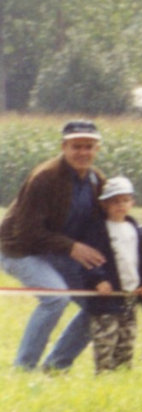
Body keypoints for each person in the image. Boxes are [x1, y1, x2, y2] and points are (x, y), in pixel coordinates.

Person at [0, 120, 108, 371]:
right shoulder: (44, 177)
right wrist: (72, 247)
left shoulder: (97, 181)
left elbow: (106, 222)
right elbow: (26, 232)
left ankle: (56, 367)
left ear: (97, 149)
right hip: (20, 250)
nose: (83, 152)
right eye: (76, 146)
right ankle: (24, 369)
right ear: (64, 146)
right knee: (55, 298)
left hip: (58, 252)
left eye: (89, 146)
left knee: (100, 307)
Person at [69, 175, 142, 373]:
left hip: (130, 299)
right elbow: (89, 261)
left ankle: (122, 378)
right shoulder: (96, 231)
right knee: (105, 342)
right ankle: (102, 378)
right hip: (105, 301)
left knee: (126, 342)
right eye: (115, 201)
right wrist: (99, 279)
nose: (120, 205)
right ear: (104, 204)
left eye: (125, 200)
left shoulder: (139, 232)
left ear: (132, 202)